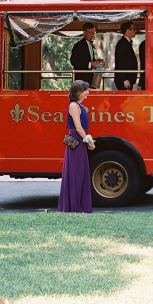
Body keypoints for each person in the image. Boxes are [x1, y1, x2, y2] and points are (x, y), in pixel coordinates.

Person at [58, 80, 95, 213]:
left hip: (80, 140)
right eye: (86, 90)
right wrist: (88, 141)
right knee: (76, 173)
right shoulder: (74, 105)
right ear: (79, 92)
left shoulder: (79, 105)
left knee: (80, 172)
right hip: (77, 141)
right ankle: (74, 206)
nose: (88, 93)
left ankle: (79, 204)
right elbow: (78, 128)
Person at [114, 21, 138, 90]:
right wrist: (124, 79)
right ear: (127, 31)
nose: (135, 31)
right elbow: (120, 62)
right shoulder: (122, 43)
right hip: (125, 81)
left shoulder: (126, 43)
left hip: (128, 79)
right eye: (133, 29)